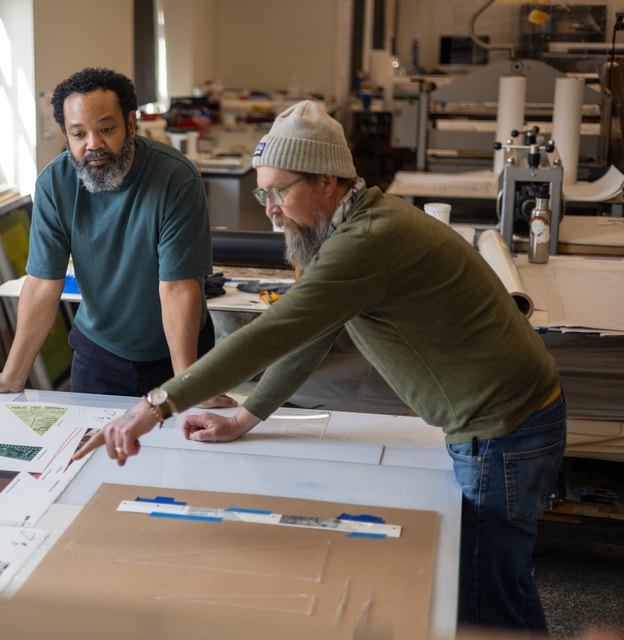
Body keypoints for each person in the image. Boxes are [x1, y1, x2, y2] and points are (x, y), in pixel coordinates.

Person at [73, 100, 566, 635]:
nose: (269, 209)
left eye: (279, 191)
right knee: (499, 588)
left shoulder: (365, 242)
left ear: (328, 181)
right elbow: (314, 332)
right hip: (513, 419)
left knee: (480, 604)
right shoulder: (357, 225)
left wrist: (157, 404)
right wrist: (246, 416)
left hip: (503, 431)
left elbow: (275, 332)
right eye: (263, 192)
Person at [0, 67, 234, 406]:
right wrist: (12, 376)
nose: (93, 144)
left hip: (178, 355)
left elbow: (178, 288)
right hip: (99, 353)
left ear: (131, 123)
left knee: (181, 453)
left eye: (106, 129)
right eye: (79, 134)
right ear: (65, 133)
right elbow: (42, 284)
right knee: (89, 453)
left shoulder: (176, 179)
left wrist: (187, 385)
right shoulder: (55, 184)